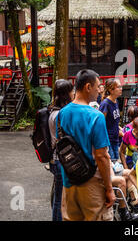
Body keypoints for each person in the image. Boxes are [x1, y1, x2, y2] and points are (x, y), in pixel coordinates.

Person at [57, 69, 115, 221]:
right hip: (91, 183)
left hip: (69, 181)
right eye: (97, 86)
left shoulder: (62, 113)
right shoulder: (96, 116)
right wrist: (109, 189)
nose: (99, 90)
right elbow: (101, 156)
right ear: (88, 87)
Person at [48, 79, 75, 222]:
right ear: (67, 94)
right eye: (71, 90)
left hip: (54, 158)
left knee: (57, 194)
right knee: (60, 198)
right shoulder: (62, 114)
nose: (73, 93)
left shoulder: (52, 110)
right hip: (61, 159)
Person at [100, 78, 123, 162]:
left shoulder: (115, 101)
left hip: (115, 138)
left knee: (116, 162)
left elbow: (113, 121)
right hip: (108, 140)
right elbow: (101, 123)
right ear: (111, 90)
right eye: (119, 87)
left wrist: (120, 129)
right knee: (113, 163)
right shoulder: (105, 104)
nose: (121, 89)